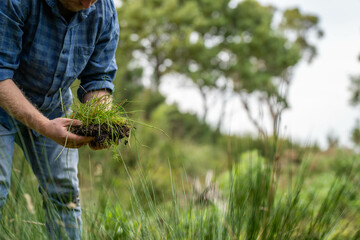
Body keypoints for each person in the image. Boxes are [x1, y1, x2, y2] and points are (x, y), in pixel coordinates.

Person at [0, 0, 119, 239]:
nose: (89, 3)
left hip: (54, 103)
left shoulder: (104, 10)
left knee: (65, 195)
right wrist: (45, 126)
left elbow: (98, 77)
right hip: (3, 100)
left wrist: (102, 121)